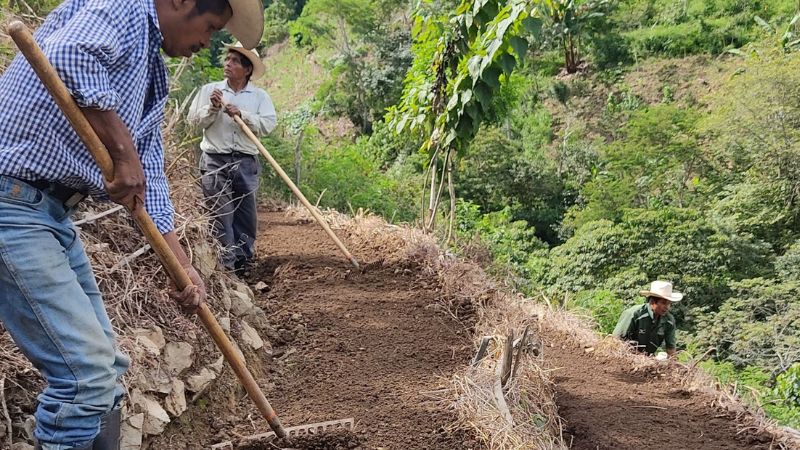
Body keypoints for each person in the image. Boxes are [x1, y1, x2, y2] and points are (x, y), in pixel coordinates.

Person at [0, 0, 263, 449]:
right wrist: (123, 153)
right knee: (85, 378)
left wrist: (183, 266)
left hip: (50, 212)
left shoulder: (149, 68)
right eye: (209, 27)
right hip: (13, 204)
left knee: (106, 372)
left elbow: (149, 175)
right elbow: (69, 55)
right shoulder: (124, 6)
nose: (206, 43)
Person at [188, 42, 277, 275]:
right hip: (215, 160)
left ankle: (243, 261)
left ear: (247, 70)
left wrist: (243, 115)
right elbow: (193, 122)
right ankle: (226, 265)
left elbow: (268, 125)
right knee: (221, 214)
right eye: (227, 59)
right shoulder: (210, 91)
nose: (227, 64)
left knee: (245, 215)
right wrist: (212, 108)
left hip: (246, 162)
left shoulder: (259, 96)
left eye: (235, 61)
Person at [612, 280, 682, 357]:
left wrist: (673, 361)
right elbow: (616, 341)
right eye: (663, 303)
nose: (667, 307)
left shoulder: (669, 321)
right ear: (652, 302)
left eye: (669, 304)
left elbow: (671, 348)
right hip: (626, 355)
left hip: (648, 358)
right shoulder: (634, 314)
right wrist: (638, 356)